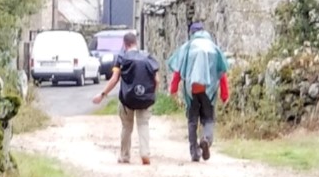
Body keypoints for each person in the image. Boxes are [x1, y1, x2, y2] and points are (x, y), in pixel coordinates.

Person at [93, 30, 162, 164]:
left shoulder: (121, 59)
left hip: (127, 99)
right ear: (136, 43)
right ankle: (145, 153)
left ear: (125, 45)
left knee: (127, 126)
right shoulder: (148, 57)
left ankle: (125, 156)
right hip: (145, 99)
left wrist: (102, 95)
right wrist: (152, 93)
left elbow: (114, 79)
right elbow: (157, 79)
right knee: (143, 124)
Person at [166, 21, 229, 162]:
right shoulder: (213, 48)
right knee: (208, 118)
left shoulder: (188, 47)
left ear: (192, 33)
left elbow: (178, 70)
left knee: (192, 120)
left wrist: (173, 89)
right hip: (208, 89)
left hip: (192, 89)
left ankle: (195, 152)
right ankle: (206, 139)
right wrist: (225, 94)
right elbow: (222, 72)